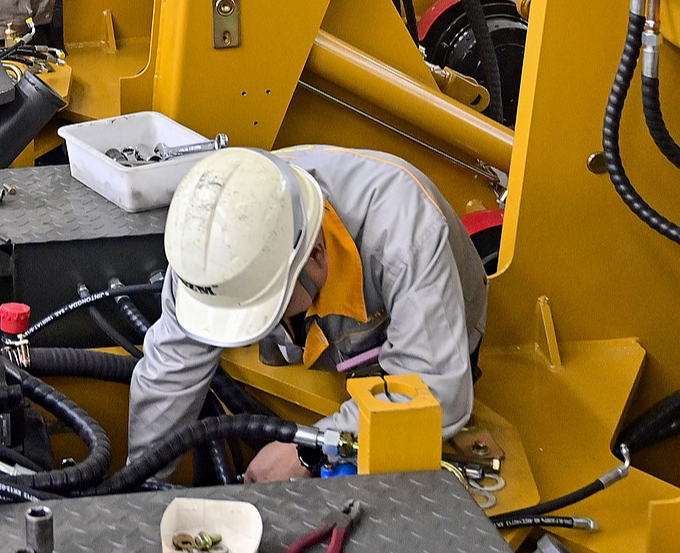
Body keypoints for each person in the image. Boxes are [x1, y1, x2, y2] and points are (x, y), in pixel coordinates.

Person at [127, 146, 488, 482]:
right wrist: (137, 485)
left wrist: (310, 451)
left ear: (315, 254)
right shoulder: (214, 248)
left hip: (431, 342)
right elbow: (170, 372)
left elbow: (434, 392)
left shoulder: (406, 235)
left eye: (259, 310)